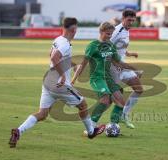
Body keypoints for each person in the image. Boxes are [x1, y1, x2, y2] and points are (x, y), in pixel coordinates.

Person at [9, 17, 105, 148]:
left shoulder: (58, 39)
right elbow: (55, 58)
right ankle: (91, 132)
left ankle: (18, 131)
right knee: (83, 105)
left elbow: (52, 54)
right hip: (60, 84)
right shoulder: (65, 43)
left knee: (42, 114)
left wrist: (72, 64)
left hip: (48, 82)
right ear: (74, 29)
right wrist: (63, 76)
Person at [71, 22, 139, 130]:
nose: (110, 36)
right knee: (105, 100)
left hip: (108, 78)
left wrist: (134, 69)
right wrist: (73, 80)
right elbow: (83, 64)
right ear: (101, 32)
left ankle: (114, 125)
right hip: (97, 78)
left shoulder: (110, 45)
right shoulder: (93, 45)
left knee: (121, 102)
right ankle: (91, 126)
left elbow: (118, 62)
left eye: (111, 34)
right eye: (108, 34)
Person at [110, 9, 143, 129]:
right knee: (112, 100)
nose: (131, 23)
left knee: (139, 89)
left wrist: (129, 53)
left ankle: (124, 115)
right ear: (123, 18)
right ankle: (94, 124)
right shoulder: (116, 31)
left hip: (122, 66)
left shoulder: (126, 31)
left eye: (133, 21)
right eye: (129, 20)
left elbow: (119, 47)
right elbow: (106, 47)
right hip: (112, 68)